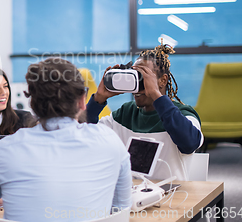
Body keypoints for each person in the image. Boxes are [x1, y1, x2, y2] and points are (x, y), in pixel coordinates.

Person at [0, 59, 132, 222]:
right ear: (82, 101)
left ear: (32, 103)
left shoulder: (2, 151)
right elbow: (121, 212)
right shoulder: (112, 143)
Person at [86, 44, 203, 180]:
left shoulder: (183, 114)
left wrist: (155, 94)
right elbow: (85, 136)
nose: (137, 86)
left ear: (163, 80)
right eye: (134, 76)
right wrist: (99, 98)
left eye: (144, 78)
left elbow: (190, 143)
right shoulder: (125, 114)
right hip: (132, 195)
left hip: (173, 196)